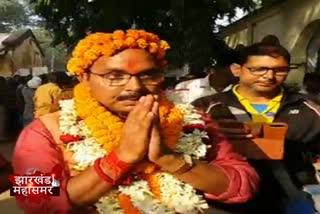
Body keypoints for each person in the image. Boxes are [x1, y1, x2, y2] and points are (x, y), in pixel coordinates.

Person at [13, 29, 258, 213]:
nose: (135, 87)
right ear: (84, 77)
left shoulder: (194, 120)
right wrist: (121, 158)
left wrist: (168, 158)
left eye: (148, 75)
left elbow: (243, 185)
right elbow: (31, 196)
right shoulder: (44, 131)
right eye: (114, 76)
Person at [193, 42, 320, 213]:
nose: (269, 76)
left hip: (292, 199)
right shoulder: (207, 107)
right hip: (225, 204)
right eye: (259, 69)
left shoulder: (310, 107)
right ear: (237, 69)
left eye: (279, 70)